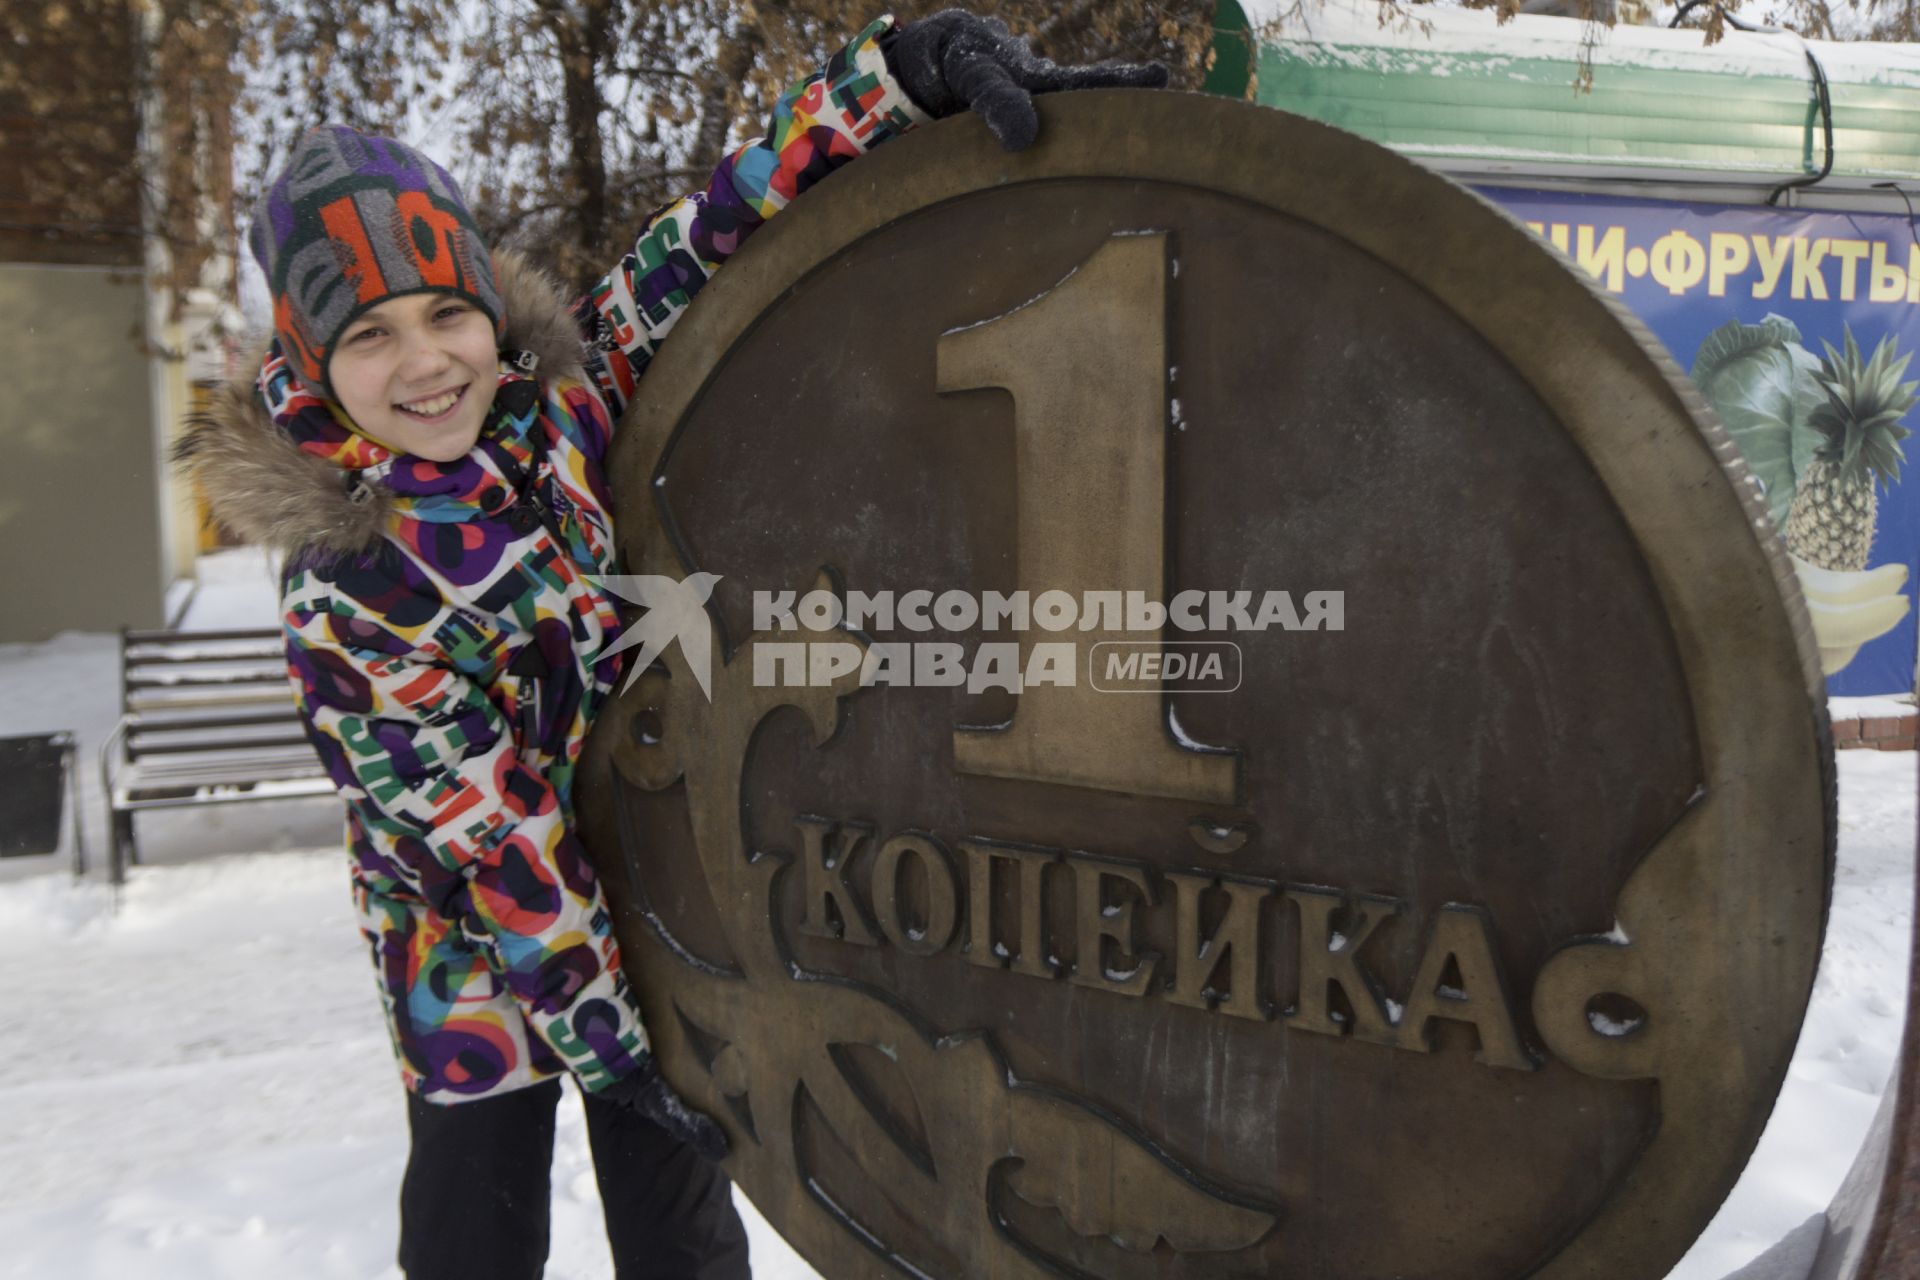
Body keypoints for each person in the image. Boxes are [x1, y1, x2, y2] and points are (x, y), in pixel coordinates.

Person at [174, 10, 1165, 1279]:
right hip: (477, 945)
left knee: (685, 1232)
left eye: (444, 314)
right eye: (370, 336)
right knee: (476, 1223)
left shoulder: (564, 410)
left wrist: (901, 78)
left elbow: (715, 225)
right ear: (314, 359)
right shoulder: (348, 590)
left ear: (489, 307)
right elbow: (499, 839)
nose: (425, 364)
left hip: (654, 892)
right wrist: (616, 1043)